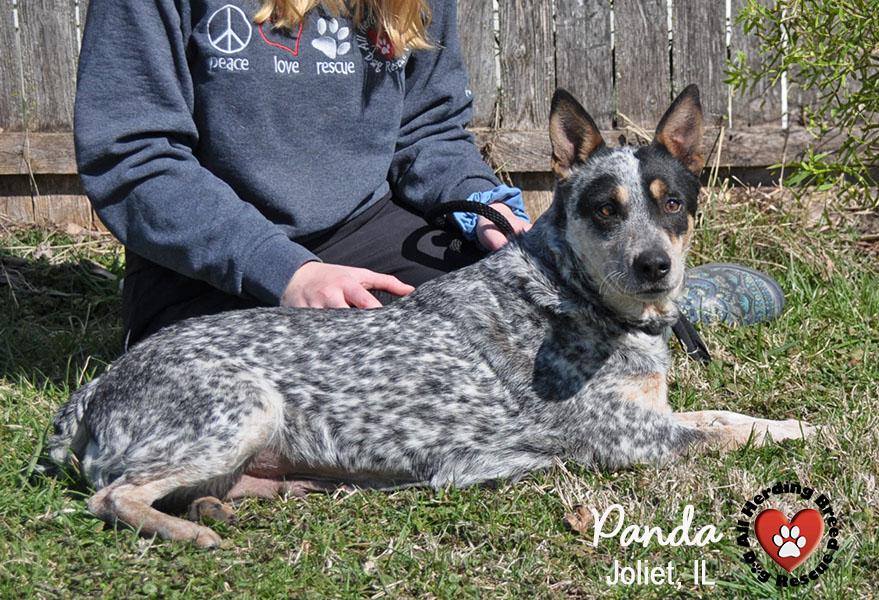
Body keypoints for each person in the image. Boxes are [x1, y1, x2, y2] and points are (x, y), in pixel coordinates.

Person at [75, 0, 783, 350]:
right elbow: (133, 159)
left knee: (527, 321)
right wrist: (284, 271)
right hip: (210, 271)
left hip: (366, 232)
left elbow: (426, 132)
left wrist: (480, 204)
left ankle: (649, 297)